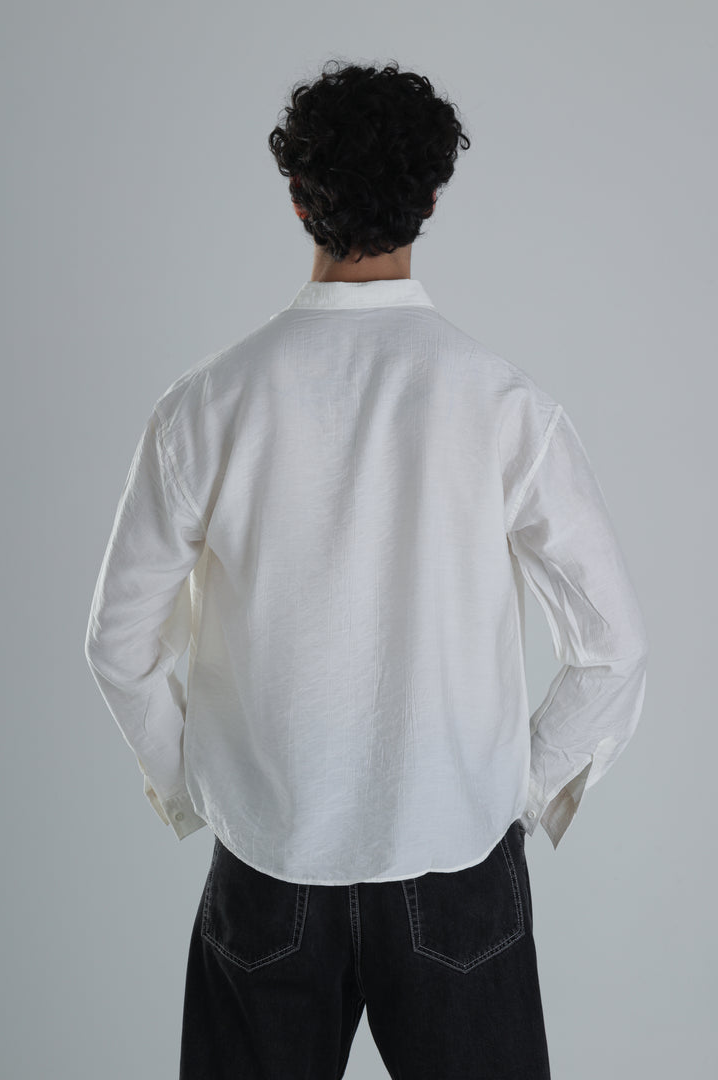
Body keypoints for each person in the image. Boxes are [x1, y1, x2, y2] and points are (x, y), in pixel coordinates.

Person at [84, 59, 648, 1079]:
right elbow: (614, 648)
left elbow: (116, 641)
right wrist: (515, 788)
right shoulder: (506, 406)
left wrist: (199, 792)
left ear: (298, 197)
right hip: (455, 860)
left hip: (269, 861)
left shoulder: (205, 406)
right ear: (430, 198)